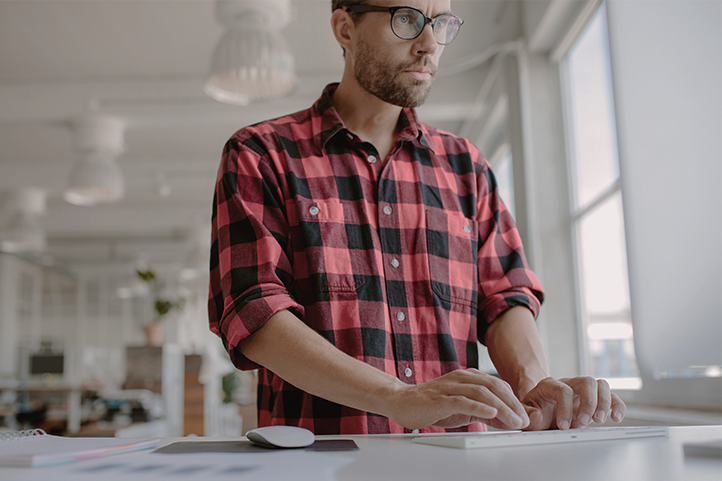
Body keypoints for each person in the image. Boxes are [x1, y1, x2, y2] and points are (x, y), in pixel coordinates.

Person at [208, 0, 626, 435]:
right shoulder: (261, 155)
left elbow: (505, 295)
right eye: (406, 19)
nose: (429, 44)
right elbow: (255, 313)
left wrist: (532, 383)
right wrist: (397, 397)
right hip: (320, 462)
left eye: (441, 23)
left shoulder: (467, 167)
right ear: (345, 29)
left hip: (455, 463)